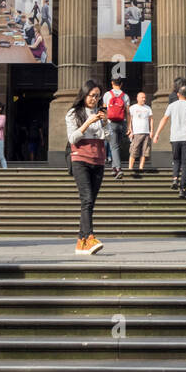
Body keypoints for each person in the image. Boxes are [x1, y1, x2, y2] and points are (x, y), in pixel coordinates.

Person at [67, 81, 108, 255]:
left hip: (98, 159)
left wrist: (105, 123)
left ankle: (80, 242)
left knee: (90, 203)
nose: (94, 99)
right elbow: (72, 138)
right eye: (92, 95)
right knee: (87, 199)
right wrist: (88, 122)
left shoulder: (100, 113)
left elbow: (106, 137)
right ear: (84, 95)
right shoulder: (73, 113)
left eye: (97, 96)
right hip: (80, 159)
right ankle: (89, 237)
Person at [153, 83, 186, 198]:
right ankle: (182, 188)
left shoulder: (172, 106)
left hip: (175, 138)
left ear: (178, 94)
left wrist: (157, 134)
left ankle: (175, 178)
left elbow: (164, 119)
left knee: (176, 159)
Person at [103, 78, 130, 179]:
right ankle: (114, 168)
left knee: (113, 146)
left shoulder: (107, 94)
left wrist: (104, 124)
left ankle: (118, 169)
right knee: (117, 146)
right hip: (121, 123)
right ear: (121, 84)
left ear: (112, 83)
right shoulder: (125, 96)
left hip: (111, 123)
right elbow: (128, 112)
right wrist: (129, 126)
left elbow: (104, 110)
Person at [128, 91, 153, 175]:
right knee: (134, 150)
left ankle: (141, 167)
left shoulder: (148, 108)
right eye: (142, 97)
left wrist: (151, 131)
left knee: (144, 151)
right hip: (136, 132)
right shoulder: (132, 108)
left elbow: (151, 120)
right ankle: (130, 168)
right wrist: (130, 130)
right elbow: (130, 119)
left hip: (146, 132)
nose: (144, 99)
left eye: (144, 97)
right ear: (137, 98)